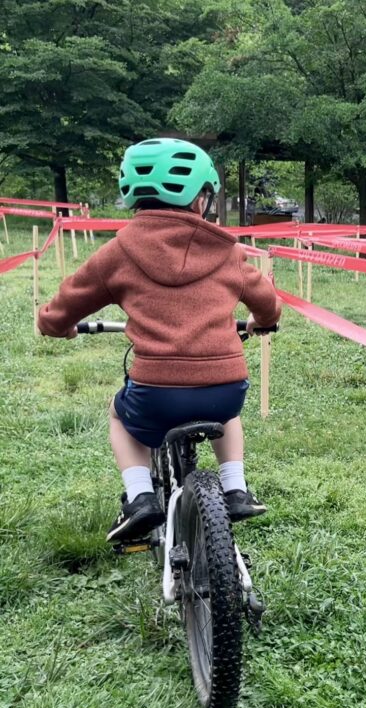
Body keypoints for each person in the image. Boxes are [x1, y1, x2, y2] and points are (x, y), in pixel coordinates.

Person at [37, 138, 282, 542]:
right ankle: (235, 488)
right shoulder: (228, 252)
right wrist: (262, 321)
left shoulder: (117, 253)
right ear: (200, 200)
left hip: (156, 392)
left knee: (120, 417)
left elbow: (66, 306)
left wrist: (54, 324)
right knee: (228, 412)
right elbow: (267, 303)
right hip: (224, 387)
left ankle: (139, 499)